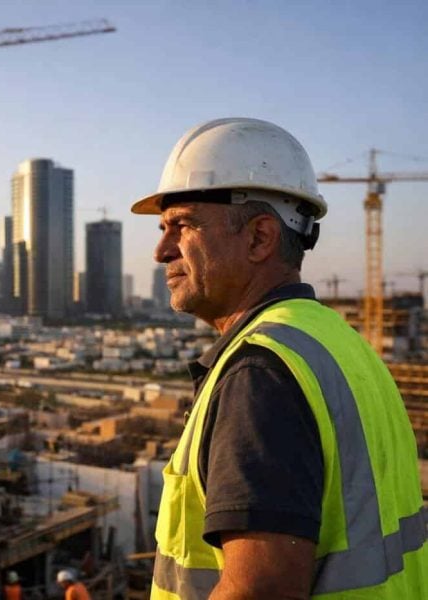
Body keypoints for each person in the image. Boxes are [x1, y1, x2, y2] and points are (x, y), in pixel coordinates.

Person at [132, 117, 427, 598]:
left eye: (181, 225)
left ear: (259, 238)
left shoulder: (261, 372)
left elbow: (260, 588)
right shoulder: (338, 342)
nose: (160, 250)